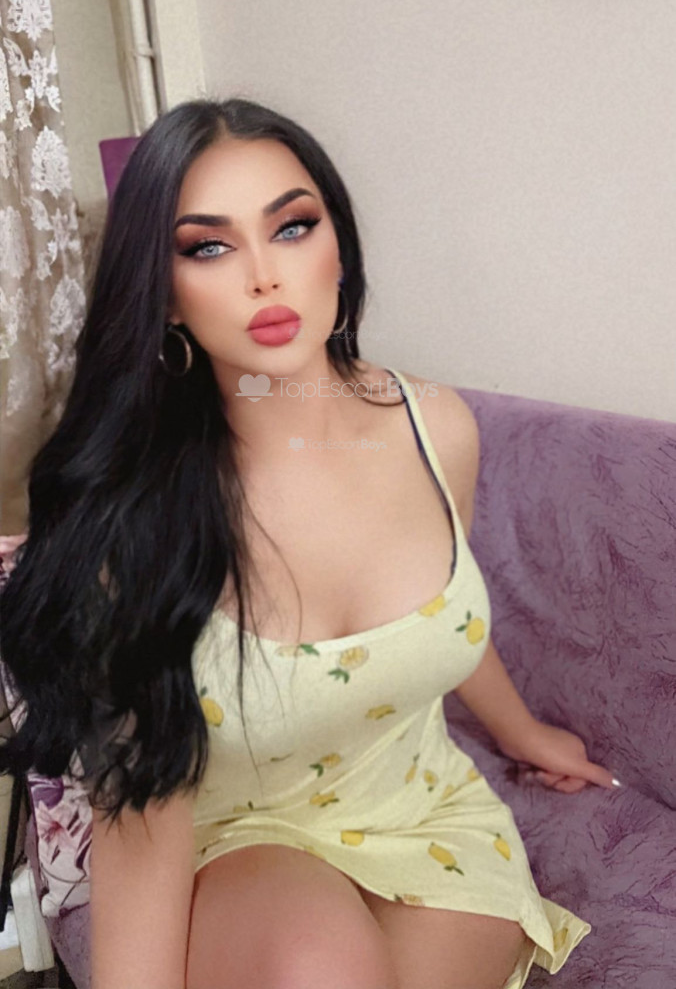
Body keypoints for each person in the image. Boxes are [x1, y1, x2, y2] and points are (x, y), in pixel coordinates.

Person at [0, 98, 616, 989]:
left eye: (292, 227)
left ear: (339, 247)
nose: (265, 277)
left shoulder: (436, 428)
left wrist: (523, 732)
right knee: (318, 967)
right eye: (208, 247)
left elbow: (445, 607)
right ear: (162, 295)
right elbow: (144, 816)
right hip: (241, 835)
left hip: (428, 818)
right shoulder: (133, 515)